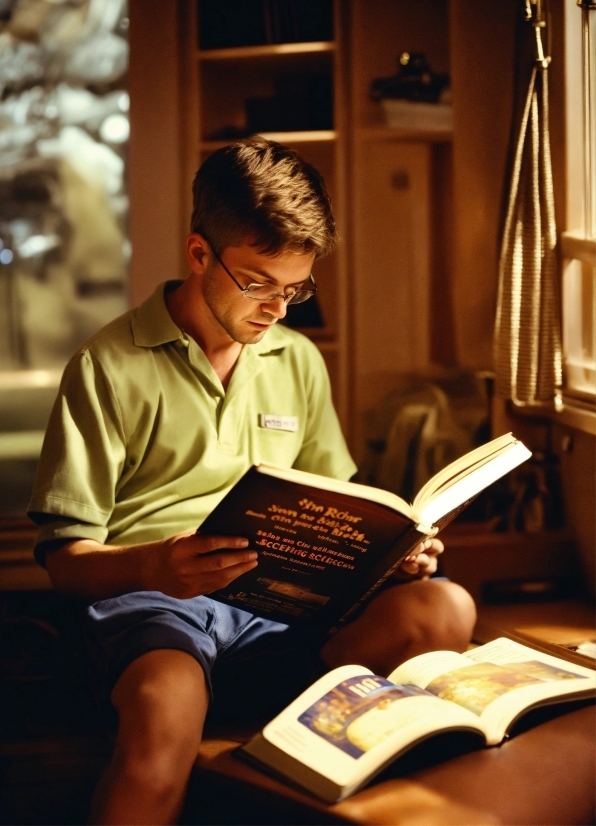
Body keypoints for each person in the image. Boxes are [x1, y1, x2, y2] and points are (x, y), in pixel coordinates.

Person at [28, 138, 476, 825]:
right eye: (258, 282)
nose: (278, 308)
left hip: (285, 612)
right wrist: (156, 565)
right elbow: (65, 565)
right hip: (160, 608)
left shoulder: (296, 361)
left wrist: (389, 559)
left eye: (296, 288)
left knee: (445, 610)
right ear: (199, 253)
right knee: (166, 712)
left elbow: (343, 509)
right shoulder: (107, 366)